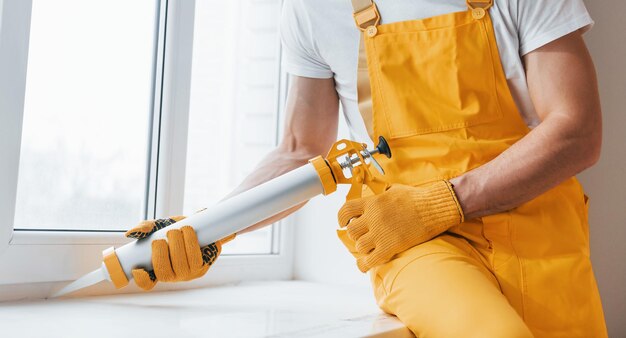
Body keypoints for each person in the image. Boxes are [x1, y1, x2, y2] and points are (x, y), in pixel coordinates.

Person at [126, 0, 607, 336]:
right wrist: (208, 227)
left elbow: (577, 131)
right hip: (413, 238)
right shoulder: (314, 7)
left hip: (543, 235)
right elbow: (299, 150)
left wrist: (445, 200)